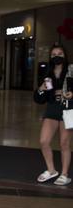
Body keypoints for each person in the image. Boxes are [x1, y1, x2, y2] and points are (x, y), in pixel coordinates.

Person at [35, 43, 72, 186]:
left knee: (64, 143)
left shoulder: (71, 70)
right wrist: (41, 89)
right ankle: (51, 170)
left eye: (60, 54)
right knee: (44, 141)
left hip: (69, 110)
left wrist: (71, 94)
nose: (57, 57)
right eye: (54, 55)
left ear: (65, 55)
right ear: (50, 57)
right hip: (52, 109)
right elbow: (40, 99)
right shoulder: (48, 74)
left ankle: (64, 174)